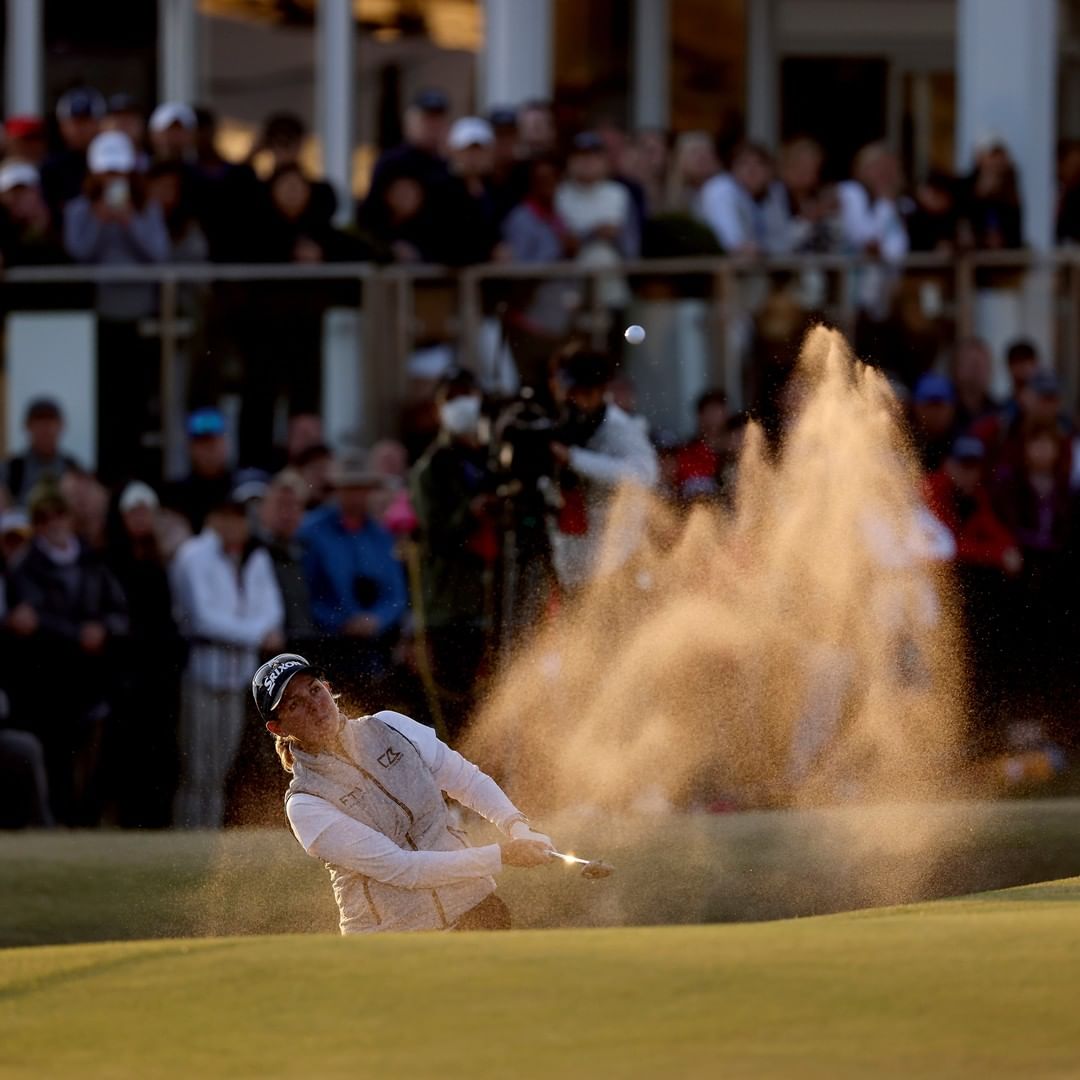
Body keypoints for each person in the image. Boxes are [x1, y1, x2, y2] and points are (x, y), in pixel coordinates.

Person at [252, 652, 554, 933]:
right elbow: (401, 868)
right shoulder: (305, 803)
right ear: (277, 728)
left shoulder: (390, 725)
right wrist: (500, 855)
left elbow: (467, 780)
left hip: (473, 907)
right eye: (294, 704)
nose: (314, 706)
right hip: (392, 939)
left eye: (315, 690)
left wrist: (518, 827)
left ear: (328, 689)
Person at [5, 481, 128, 825]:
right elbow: (27, 620)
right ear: (37, 524)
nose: (53, 523)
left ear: (69, 518)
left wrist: (104, 629)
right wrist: (79, 634)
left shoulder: (92, 560)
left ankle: (85, 824)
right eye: (44, 517)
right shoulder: (25, 566)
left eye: (59, 514)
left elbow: (119, 611)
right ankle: (57, 826)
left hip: (91, 678)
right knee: (54, 758)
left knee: (92, 759)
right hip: (46, 681)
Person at [170, 494, 284, 828]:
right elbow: (204, 619)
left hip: (237, 675)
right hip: (203, 671)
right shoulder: (194, 555)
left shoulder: (253, 555)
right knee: (197, 766)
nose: (238, 524)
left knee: (222, 765)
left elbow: (272, 610)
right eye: (231, 516)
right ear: (215, 518)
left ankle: (209, 836)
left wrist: (253, 630)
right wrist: (256, 633)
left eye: (241, 517)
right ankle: (188, 835)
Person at [410, 370, 497, 740]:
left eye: (468, 396)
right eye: (453, 398)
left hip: (497, 600)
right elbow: (436, 536)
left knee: (499, 700)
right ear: (439, 409)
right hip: (452, 608)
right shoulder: (432, 468)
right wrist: (471, 511)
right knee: (458, 708)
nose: (462, 405)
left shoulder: (495, 459)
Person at [548, 348, 659, 591]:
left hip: (617, 555)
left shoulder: (618, 426)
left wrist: (574, 458)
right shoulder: (562, 423)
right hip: (573, 557)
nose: (575, 399)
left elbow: (644, 474)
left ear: (598, 391)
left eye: (582, 393)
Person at [299, 450, 408, 697]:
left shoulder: (381, 536)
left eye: (361, 488)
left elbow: (396, 594)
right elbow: (304, 590)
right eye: (349, 488)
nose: (355, 495)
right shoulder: (312, 531)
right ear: (337, 490)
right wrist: (339, 622)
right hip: (325, 644)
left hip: (373, 649)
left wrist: (376, 619)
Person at [700, 142, 791, 255]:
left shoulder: (774, 191)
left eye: (759, 163)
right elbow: (735, 245)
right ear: (732, 169)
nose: (752, 170)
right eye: (744, 163)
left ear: (770, 170)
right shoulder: (720, 189)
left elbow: (783, 241)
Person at [163, 408, 235, 533]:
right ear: (191, 448)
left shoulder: (240, 486)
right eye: (202, 443)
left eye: (213, 443)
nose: (209, 450)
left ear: (224, 443)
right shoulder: (177, 494)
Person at [1, 398, 80, 507]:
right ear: (27, 426)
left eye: (50, 421)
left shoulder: (74, 469)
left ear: (61, 426)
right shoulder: (10, 470)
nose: (45, 428)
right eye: (39, 421)